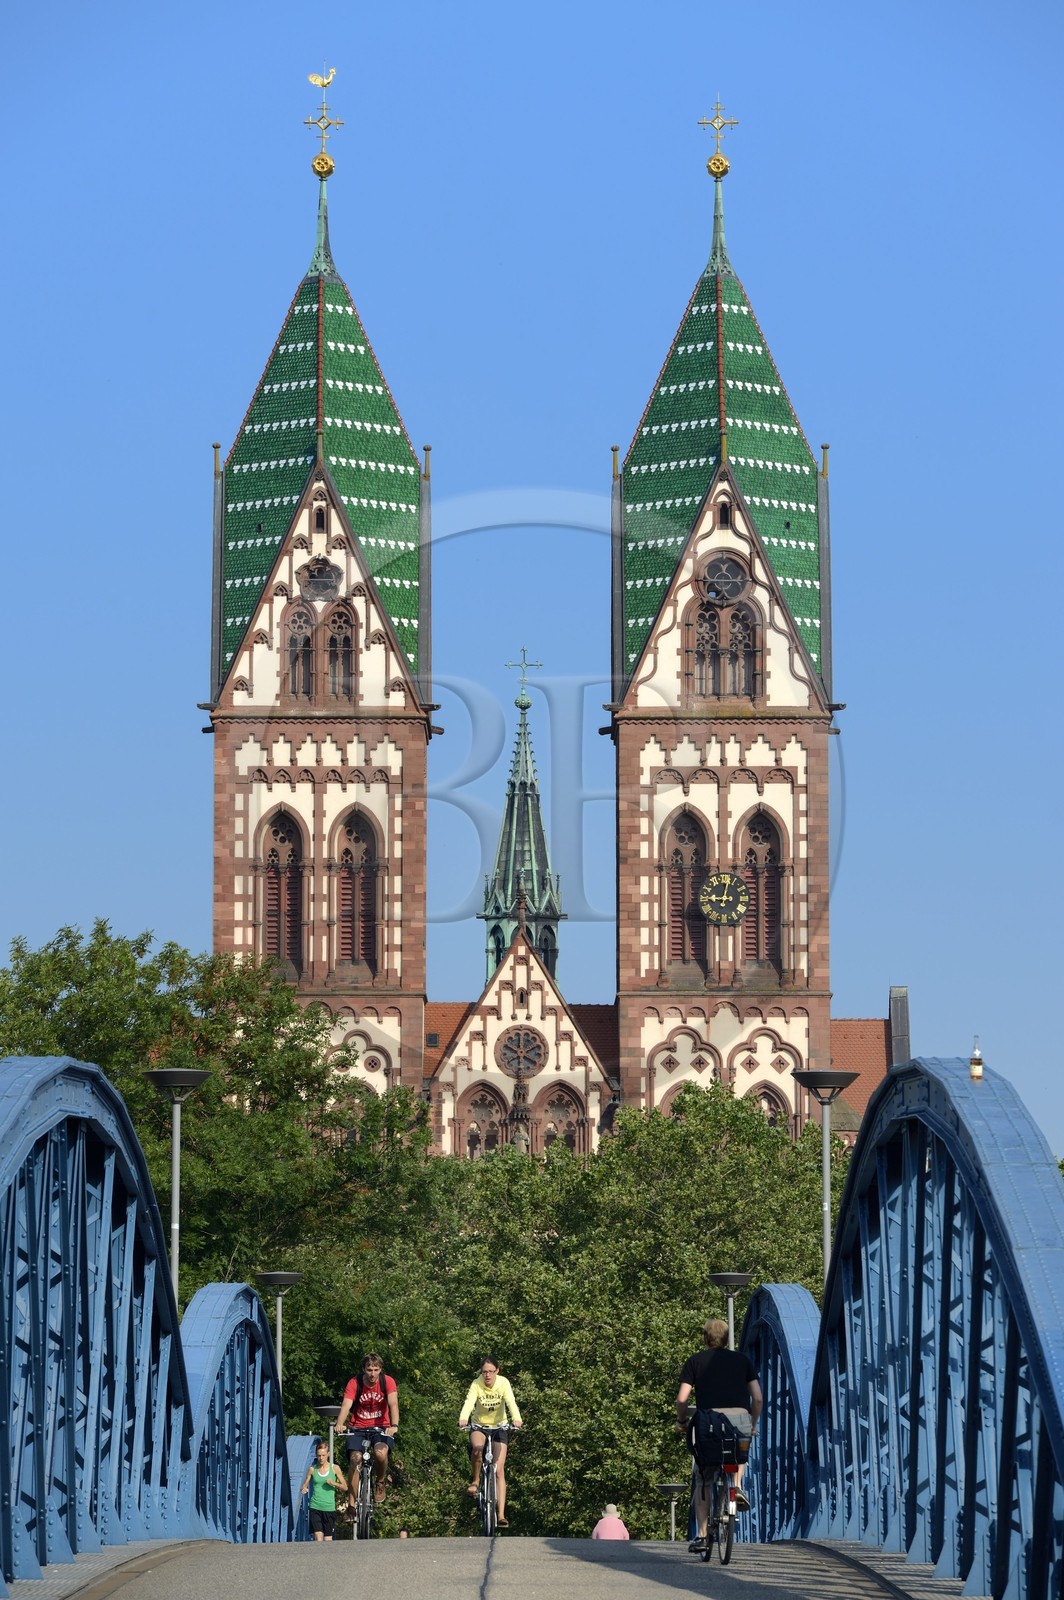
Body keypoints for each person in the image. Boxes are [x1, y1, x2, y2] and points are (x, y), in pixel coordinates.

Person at [675, 1317, 762, 1552]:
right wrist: (752, 1423)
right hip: (739, 1419)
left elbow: (682, 1399)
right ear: (725, 1339)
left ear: (705, 1338)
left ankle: (702, 1536)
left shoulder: (695, 1361)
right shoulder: (742, 1360)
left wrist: (682, 1421)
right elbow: (758, 1397)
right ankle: (736, 1485)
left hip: (709, 1422)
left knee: (704, 1478)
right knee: (739, 1451)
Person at [458, 1357, 522, 1527]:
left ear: (497, 1371)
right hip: (480, 1425)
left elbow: (510, 1401)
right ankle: (476, 1480)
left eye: (490, 1371)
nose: (487, 1375)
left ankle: (500, 1515)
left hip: (499, 1427)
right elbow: (469, 1402)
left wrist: (516, 1418)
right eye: (484, 1371)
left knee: (499, 1470)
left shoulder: (503, 1383)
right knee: (477, 1449)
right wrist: (463, 1418)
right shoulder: (476, 1384)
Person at [336, 1352, 399, 1504]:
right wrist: (340, 1423)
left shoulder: (387, 1381)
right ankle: (351, 1505)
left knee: (380, 1453)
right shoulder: (354, 1383)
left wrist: (394, 1425)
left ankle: (380, 1481)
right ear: (364, 1369)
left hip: (381, 1427)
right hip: (358, 1427)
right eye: (369, 1369)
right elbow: (346, 1405)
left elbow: (393, 1405)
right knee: (355, 1460)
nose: (372, 1374)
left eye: (376, 1370)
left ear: (380, 1369)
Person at [300, 1439, 347, 1542]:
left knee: (328, 1540)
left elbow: (345, 1487)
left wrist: (334, 1483)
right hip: (315, 1507)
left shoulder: (335, 1468)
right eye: (319, 1455)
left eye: (323, 1455)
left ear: (328, 1454)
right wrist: (304, 1488)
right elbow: (304, 1485)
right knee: (318, 1538)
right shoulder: (312, 1469)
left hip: (329, 1508)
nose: (321, 1458)